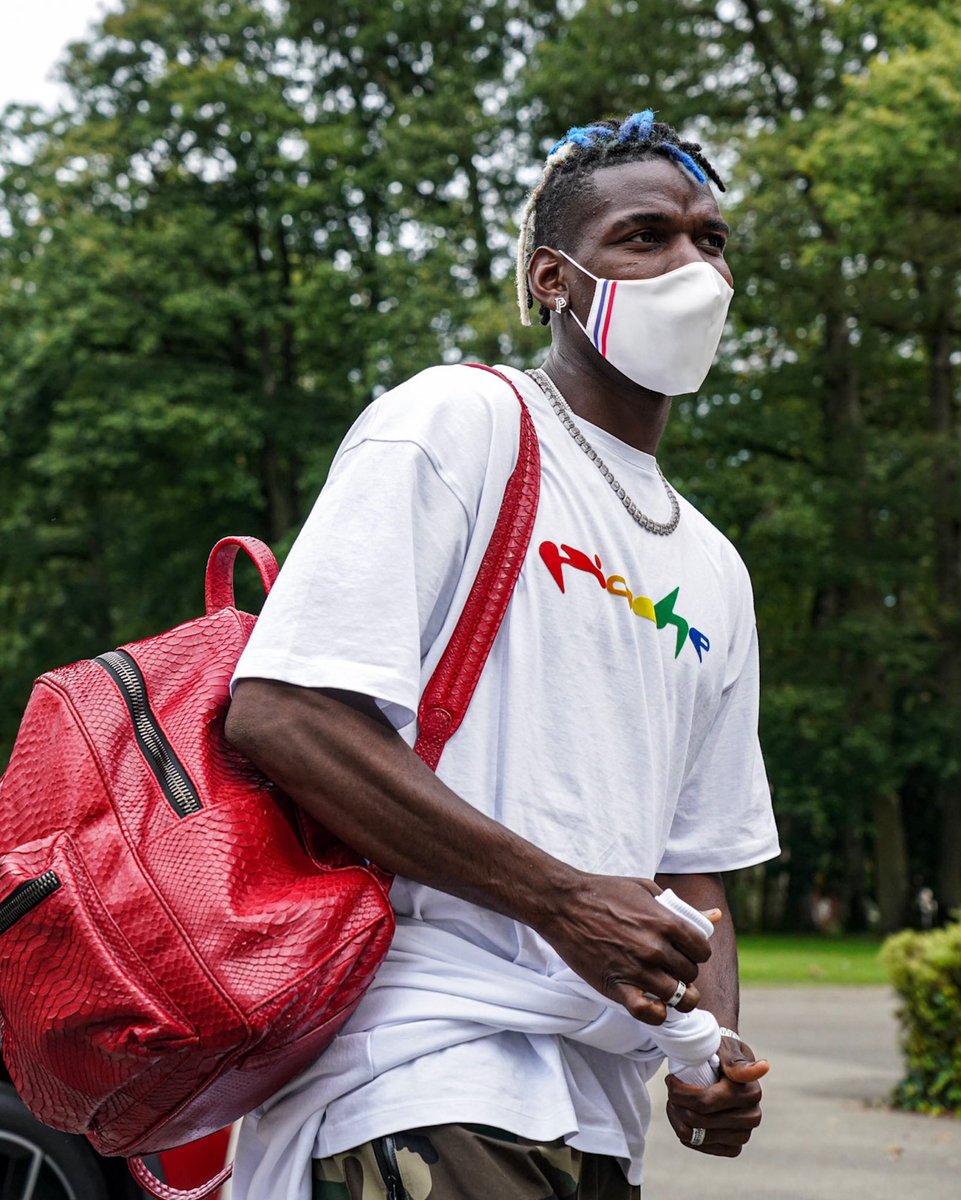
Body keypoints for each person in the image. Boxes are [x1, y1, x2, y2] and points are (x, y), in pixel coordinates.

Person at [225, 109, 780, 1200]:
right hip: (417, 1071)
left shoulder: (714, 566)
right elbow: (284, 711)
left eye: (710, 240)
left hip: (599, 1113)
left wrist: (709, 1044)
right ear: (553, 278)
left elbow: (695, 859)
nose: (692, 267)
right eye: (645, 236)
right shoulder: (460, 421)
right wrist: (562, 901)